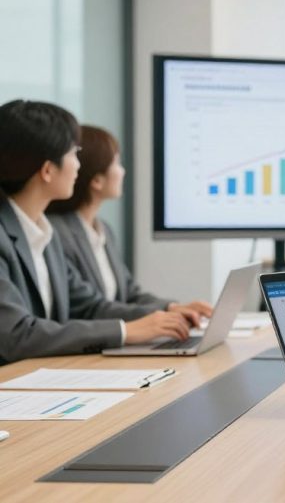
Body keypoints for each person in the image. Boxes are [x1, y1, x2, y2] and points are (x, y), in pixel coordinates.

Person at [0, 100, 207, 365]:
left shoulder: (43, 232)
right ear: (48, 170)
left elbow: (88, 306)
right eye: (73, 153)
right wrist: (125, 331)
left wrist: (159, 315)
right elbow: (14, 335)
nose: (78, 165)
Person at [46, 125, 213, 314]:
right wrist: (159, 317)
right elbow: (90, 307)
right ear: (97, 180)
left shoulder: (103, 230)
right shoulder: (57, 233)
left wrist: (172, 307)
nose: (122, 171)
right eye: (116, 162)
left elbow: (129, 294)